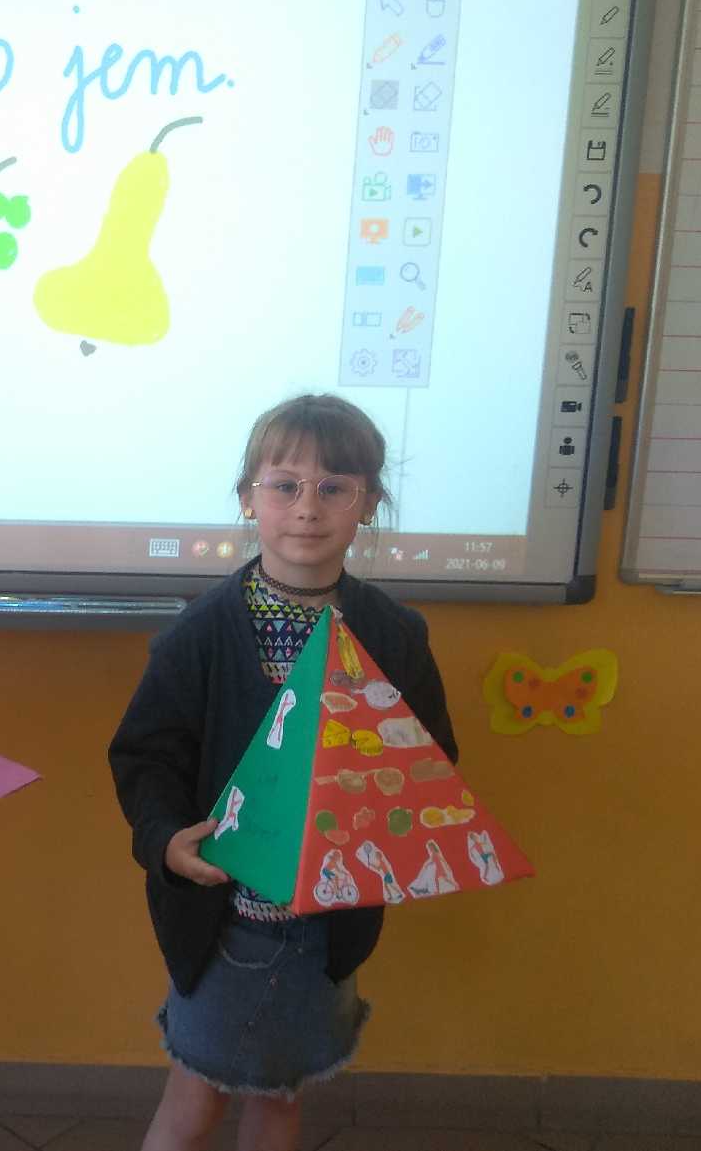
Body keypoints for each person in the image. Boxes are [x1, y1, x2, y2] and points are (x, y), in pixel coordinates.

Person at [108, 394, 458, 1151]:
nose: (307, 507)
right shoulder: (201, 631)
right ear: (248, 498)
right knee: (193, 1104)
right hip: (226, 922)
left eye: (334, 487)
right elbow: (146, 755)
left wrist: (389, 818)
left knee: (281, 1100)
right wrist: (166, 840)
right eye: (285, 485)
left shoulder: (394, 634)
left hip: (328, 929)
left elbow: (430, 760)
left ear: (368, 504)